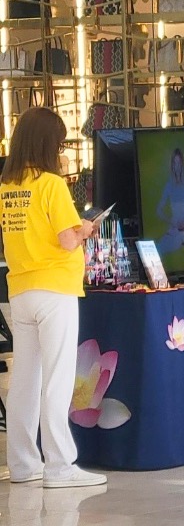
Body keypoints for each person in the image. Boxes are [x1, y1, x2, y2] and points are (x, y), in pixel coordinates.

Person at [0, 107, 108, 487]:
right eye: (59, 143)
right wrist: (85, 229)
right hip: (55, 289)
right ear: (48, 143)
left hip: (22, 290)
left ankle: (24, 464)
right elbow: (65, 239)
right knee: (58, 379)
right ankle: (60, 467)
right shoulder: (52, 184)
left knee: (25, 380)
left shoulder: (8, 186)